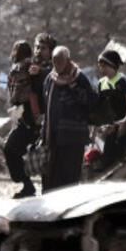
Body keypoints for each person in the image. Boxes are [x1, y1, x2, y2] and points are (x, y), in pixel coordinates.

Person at [3, 33, 56, 198]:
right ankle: (27, 185)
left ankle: (49, 193)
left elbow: (54, 78)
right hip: (28, 121)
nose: (39, 51)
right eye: (37, 47)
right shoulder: (27, 67)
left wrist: (40, 73)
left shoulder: (55, 69)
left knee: (47, 160)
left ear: (51, 51)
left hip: (48, 122)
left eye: (44, 48)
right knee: (10, 148)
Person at [42, 46, 94, 190]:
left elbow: (89, 102)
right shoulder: (49, 80)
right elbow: (47, 108)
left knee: (69, 179)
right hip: (53, 138)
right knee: (51, 178)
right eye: (54, 61)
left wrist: (74, 86)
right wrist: (43, 134)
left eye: (60, 61)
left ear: (68, 60)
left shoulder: (79, 78)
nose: (57, 65)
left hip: (73, 138)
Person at [96, 49, 126, 122]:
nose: (101, 69)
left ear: (113, 66)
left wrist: (125, 121)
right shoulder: (101, 83)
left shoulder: (123, 80)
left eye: (104, 66)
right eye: (100, 66)